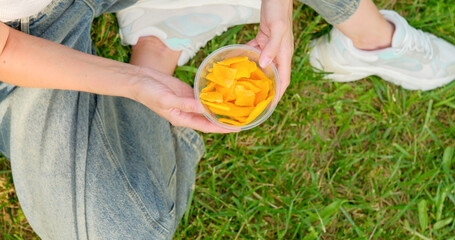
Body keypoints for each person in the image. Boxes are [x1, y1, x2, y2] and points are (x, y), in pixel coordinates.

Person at [0, 0, 453, 239]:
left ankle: (371, 39)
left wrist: (278, 7)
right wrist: (137, 82)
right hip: (17, 48)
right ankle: (159, 41)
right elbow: (6, 50)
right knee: (116, 231)